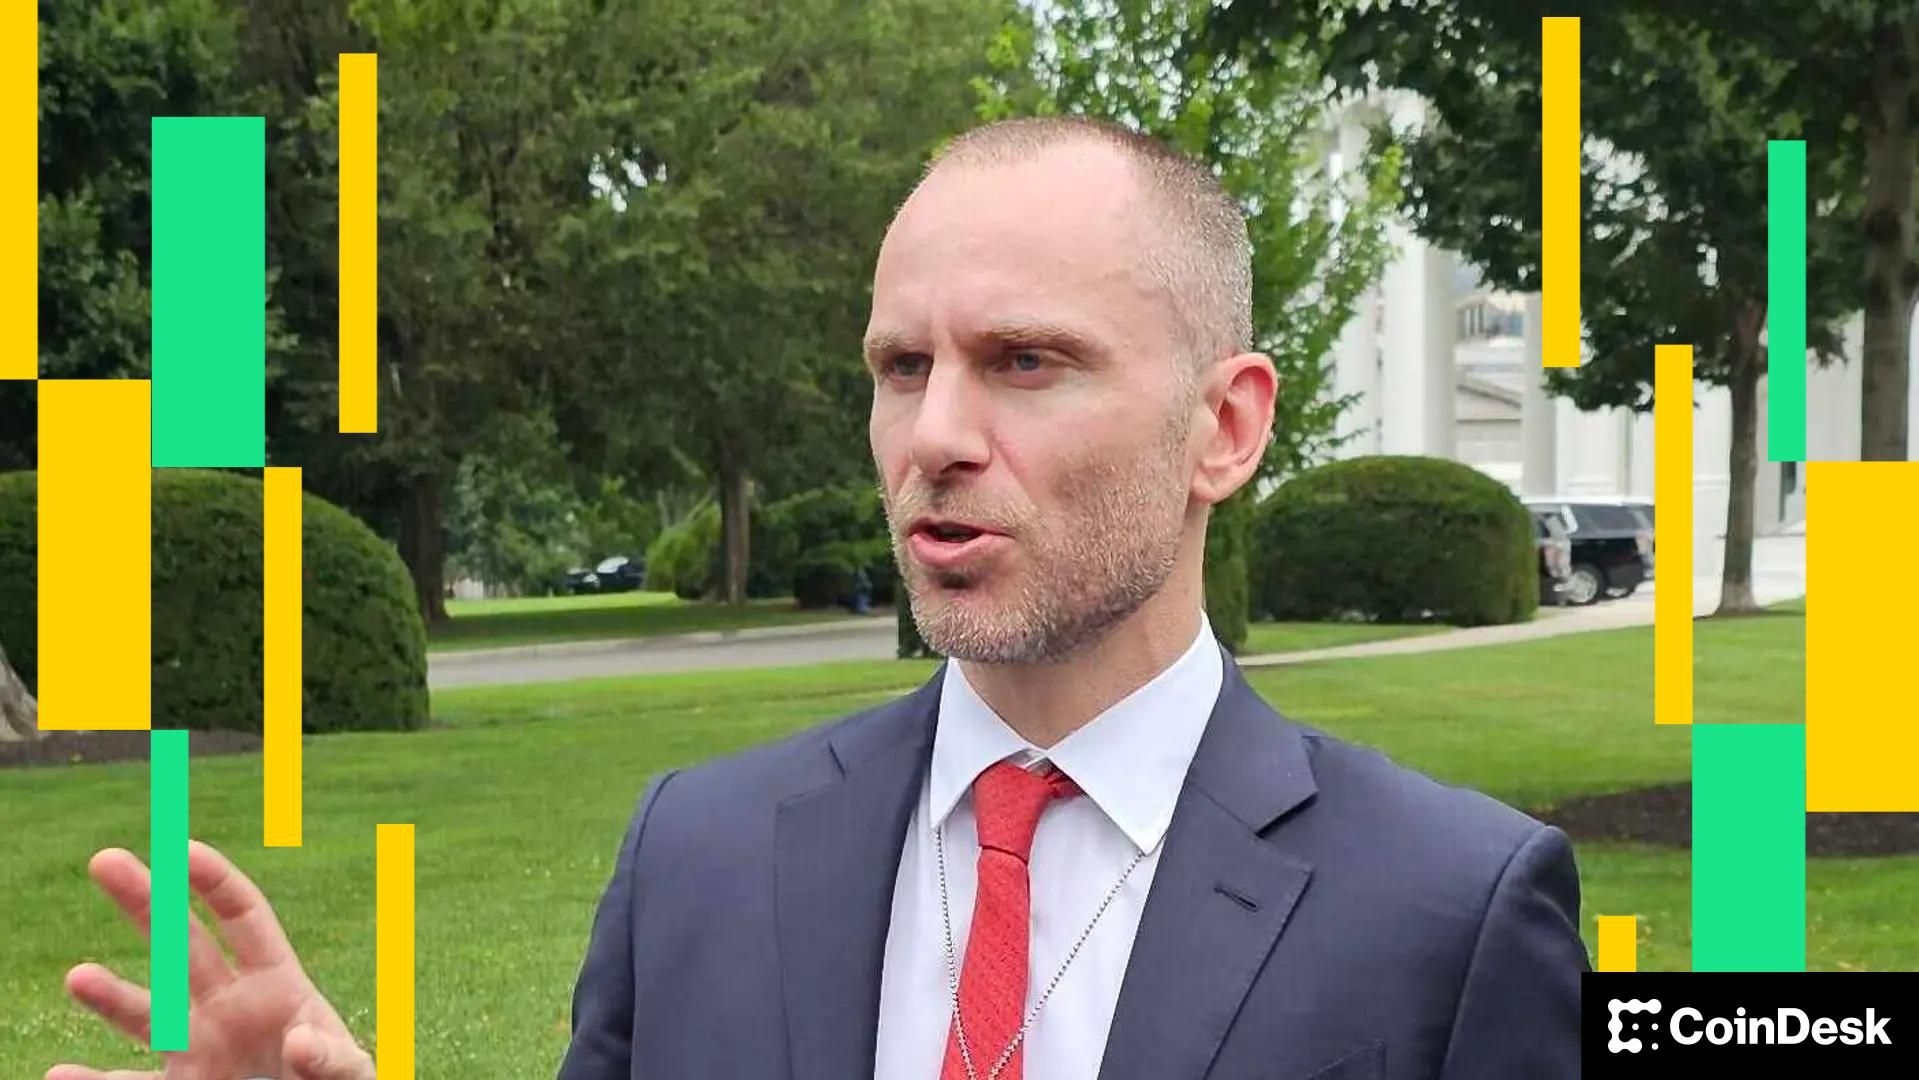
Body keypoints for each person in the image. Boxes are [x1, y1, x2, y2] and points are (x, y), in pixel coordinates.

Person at [50, 116, 1587, 1080]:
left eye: (1025, 362)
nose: (935, 436)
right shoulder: (699, 854)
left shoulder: (1447, 912)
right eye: (901, 367)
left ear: (1225, 427)